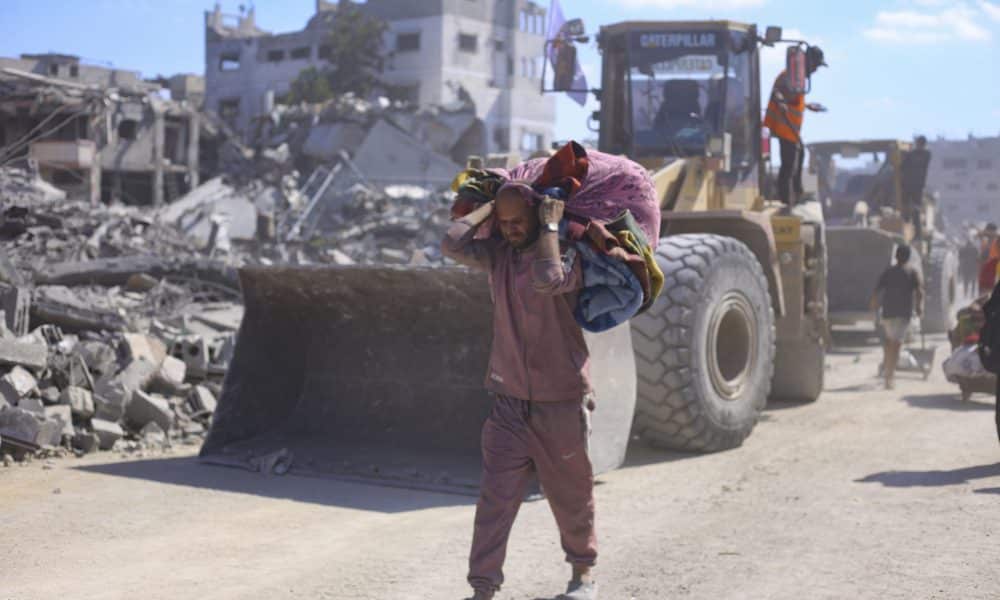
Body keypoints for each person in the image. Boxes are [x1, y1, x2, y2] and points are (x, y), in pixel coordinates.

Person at [441, 184, 598, 600]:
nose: (509, 230)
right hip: (508, 402)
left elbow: (549, 280)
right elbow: (450, 243)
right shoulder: (500, 258)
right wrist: (489, 209)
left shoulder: (566, 255)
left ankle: (583, 575)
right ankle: (483, 589)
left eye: (517, 222)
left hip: (559, 401)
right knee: (495, 501)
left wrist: (549, 223)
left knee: (571, 495)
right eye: (503, 224)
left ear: (538, 218)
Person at [764, 45, 827, 208]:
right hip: (784, 128)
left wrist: (807, 106)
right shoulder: (788, 77)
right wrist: (780, 100)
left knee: (799, 155)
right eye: (815, 66)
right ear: (808, 62)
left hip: (790, 130)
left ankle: (796, 193)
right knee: (789, 165)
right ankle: (786, 201)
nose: (815, 70)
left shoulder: (796, 79)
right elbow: (779, 92)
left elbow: (792, 99)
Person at [871, 244, 925, 390]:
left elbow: (876, 291)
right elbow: (920, 291)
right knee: (896, 344)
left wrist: (874, 306)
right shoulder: (912, 272)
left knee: (889, 342)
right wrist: (920, 308)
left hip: (888, 312)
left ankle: (888, 372)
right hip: (903, 314)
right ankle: (890, 376)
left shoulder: (888, 272)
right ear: (908, 257)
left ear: (896, 256)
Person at [900, 136, 932, 239]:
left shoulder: (914, 155)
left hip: (910, 186)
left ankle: (910, 228)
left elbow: (902, 166)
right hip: (918, 186)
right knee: (914, 209)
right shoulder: (926, 154)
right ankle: (914, 231)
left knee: (909, 209)